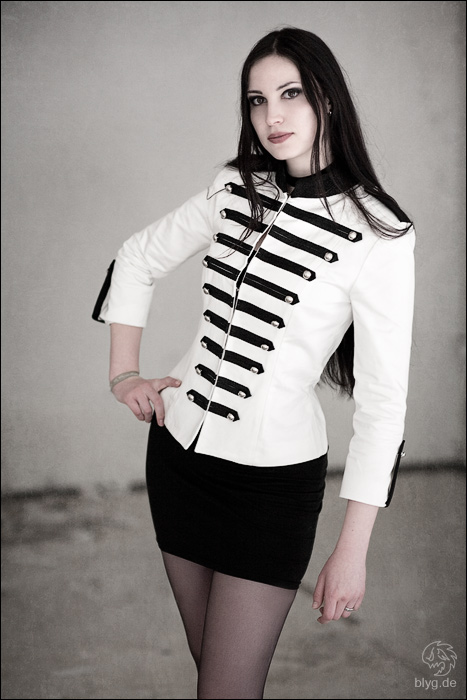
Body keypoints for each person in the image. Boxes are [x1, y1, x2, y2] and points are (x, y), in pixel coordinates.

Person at [92, 26, 415, 700]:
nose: (272, 116)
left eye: (291, 94)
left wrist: (351, 550)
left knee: (228, 688)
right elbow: (137, 257)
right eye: (257, 100)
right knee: (213, 675)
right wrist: (125, 373)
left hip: (270, 490)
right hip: (178, 460)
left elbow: (384, 403)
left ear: (326, 98)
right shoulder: (232, 186)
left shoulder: (379, 234)